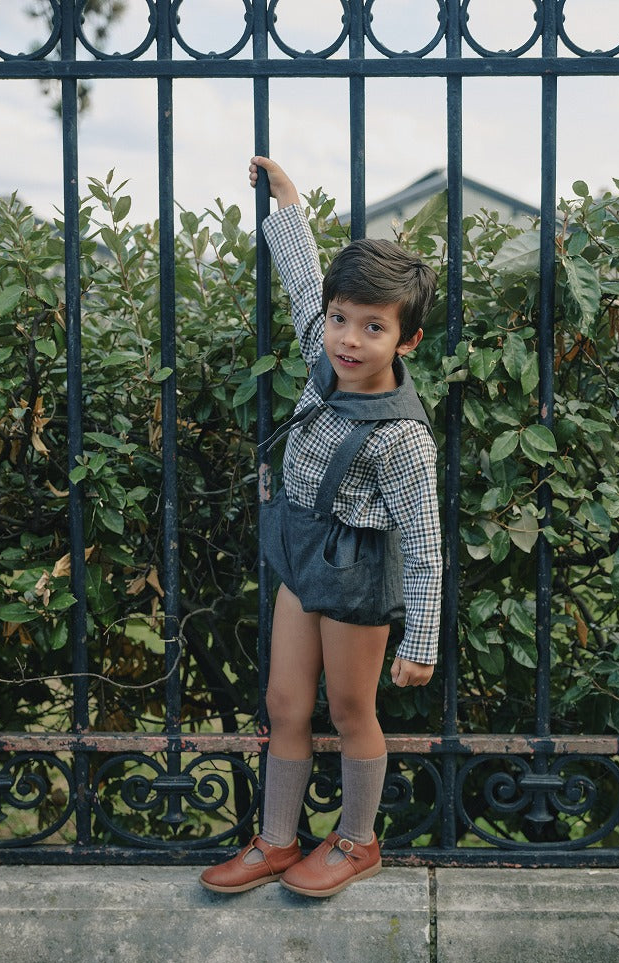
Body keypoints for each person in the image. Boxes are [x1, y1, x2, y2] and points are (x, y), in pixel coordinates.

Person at [199, 156, 441, 898]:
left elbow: (425, 547)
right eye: (342, 320)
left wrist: (421, 642)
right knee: (285, 704)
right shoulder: (321, 359)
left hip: (356, 574)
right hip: (303, 557)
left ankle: (358, 842)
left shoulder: (403, 437)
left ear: (406, 342)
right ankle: (277, 839)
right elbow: (306, 281)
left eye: (373, 327)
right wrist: (288, 203)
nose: (348, 339)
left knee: (350, 709)